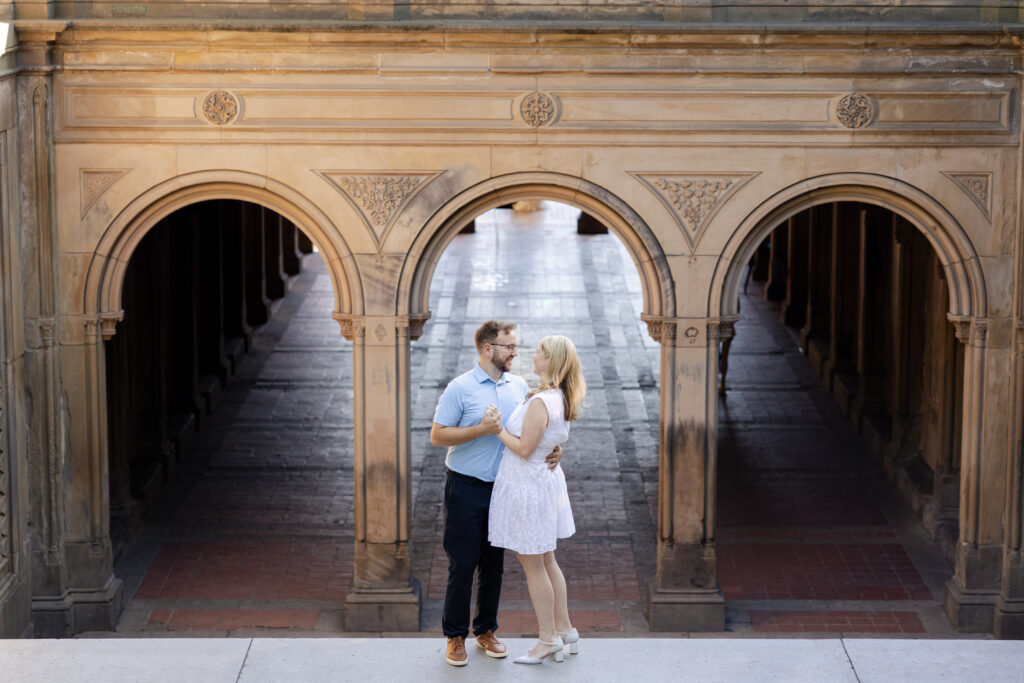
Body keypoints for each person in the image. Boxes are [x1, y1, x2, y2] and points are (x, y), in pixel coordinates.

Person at [430, 320, 562, 667]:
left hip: (505, 488)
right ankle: (455, 636)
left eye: (517, 347)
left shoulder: (519, 385)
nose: (515, 353)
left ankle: (485, 631)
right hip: (466, 487)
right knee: (462, 564)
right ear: (488, 349)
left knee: (494, 565)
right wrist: (480, 430)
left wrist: (556, 448)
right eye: (509, 347)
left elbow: (535, 429)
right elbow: (437, 435)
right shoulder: (460, 388)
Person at [488, 335, 585, 665]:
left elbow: (525, 448)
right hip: (541, 484)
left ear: (551, 361)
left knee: (534, 565)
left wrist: (497, 428)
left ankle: (547, 639)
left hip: (527, 485)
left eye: (539, 353)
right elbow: (548, 441)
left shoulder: (543, 401)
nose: (532, 355)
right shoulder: (560, 397)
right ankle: (565, 628)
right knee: (546, 560)